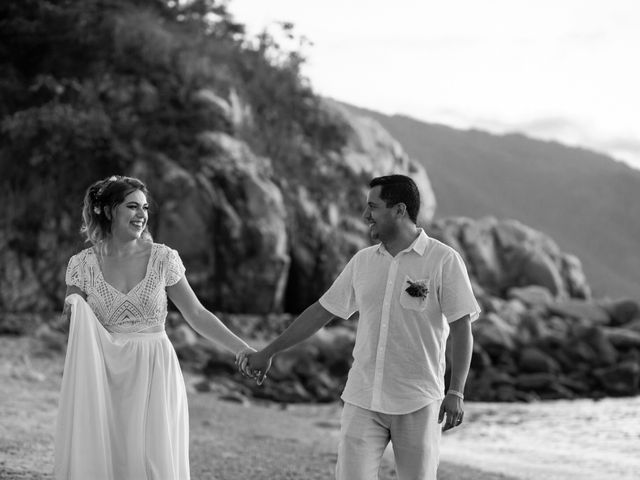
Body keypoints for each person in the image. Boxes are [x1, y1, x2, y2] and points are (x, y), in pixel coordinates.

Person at [239, 174, 481, 480]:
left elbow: (462, 328)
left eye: (373, 207)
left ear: (399, 210)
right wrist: (269, 351)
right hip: (363, 398)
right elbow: (321, 312)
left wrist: (456, 391)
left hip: (418, 401)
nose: (366, 215)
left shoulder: (443, 260)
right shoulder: (363, 262)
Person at [55, 175, 255, 480]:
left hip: (154, 369)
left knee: (153, 460)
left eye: (144, 208)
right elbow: (73, 318)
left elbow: (197, 314)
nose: (141, 215)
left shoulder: (163, 258)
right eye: (132, 206)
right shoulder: (82, 264)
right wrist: (72, 307)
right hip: (104, 372)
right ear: (108, 211)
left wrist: (242, 348)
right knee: (111, 453)